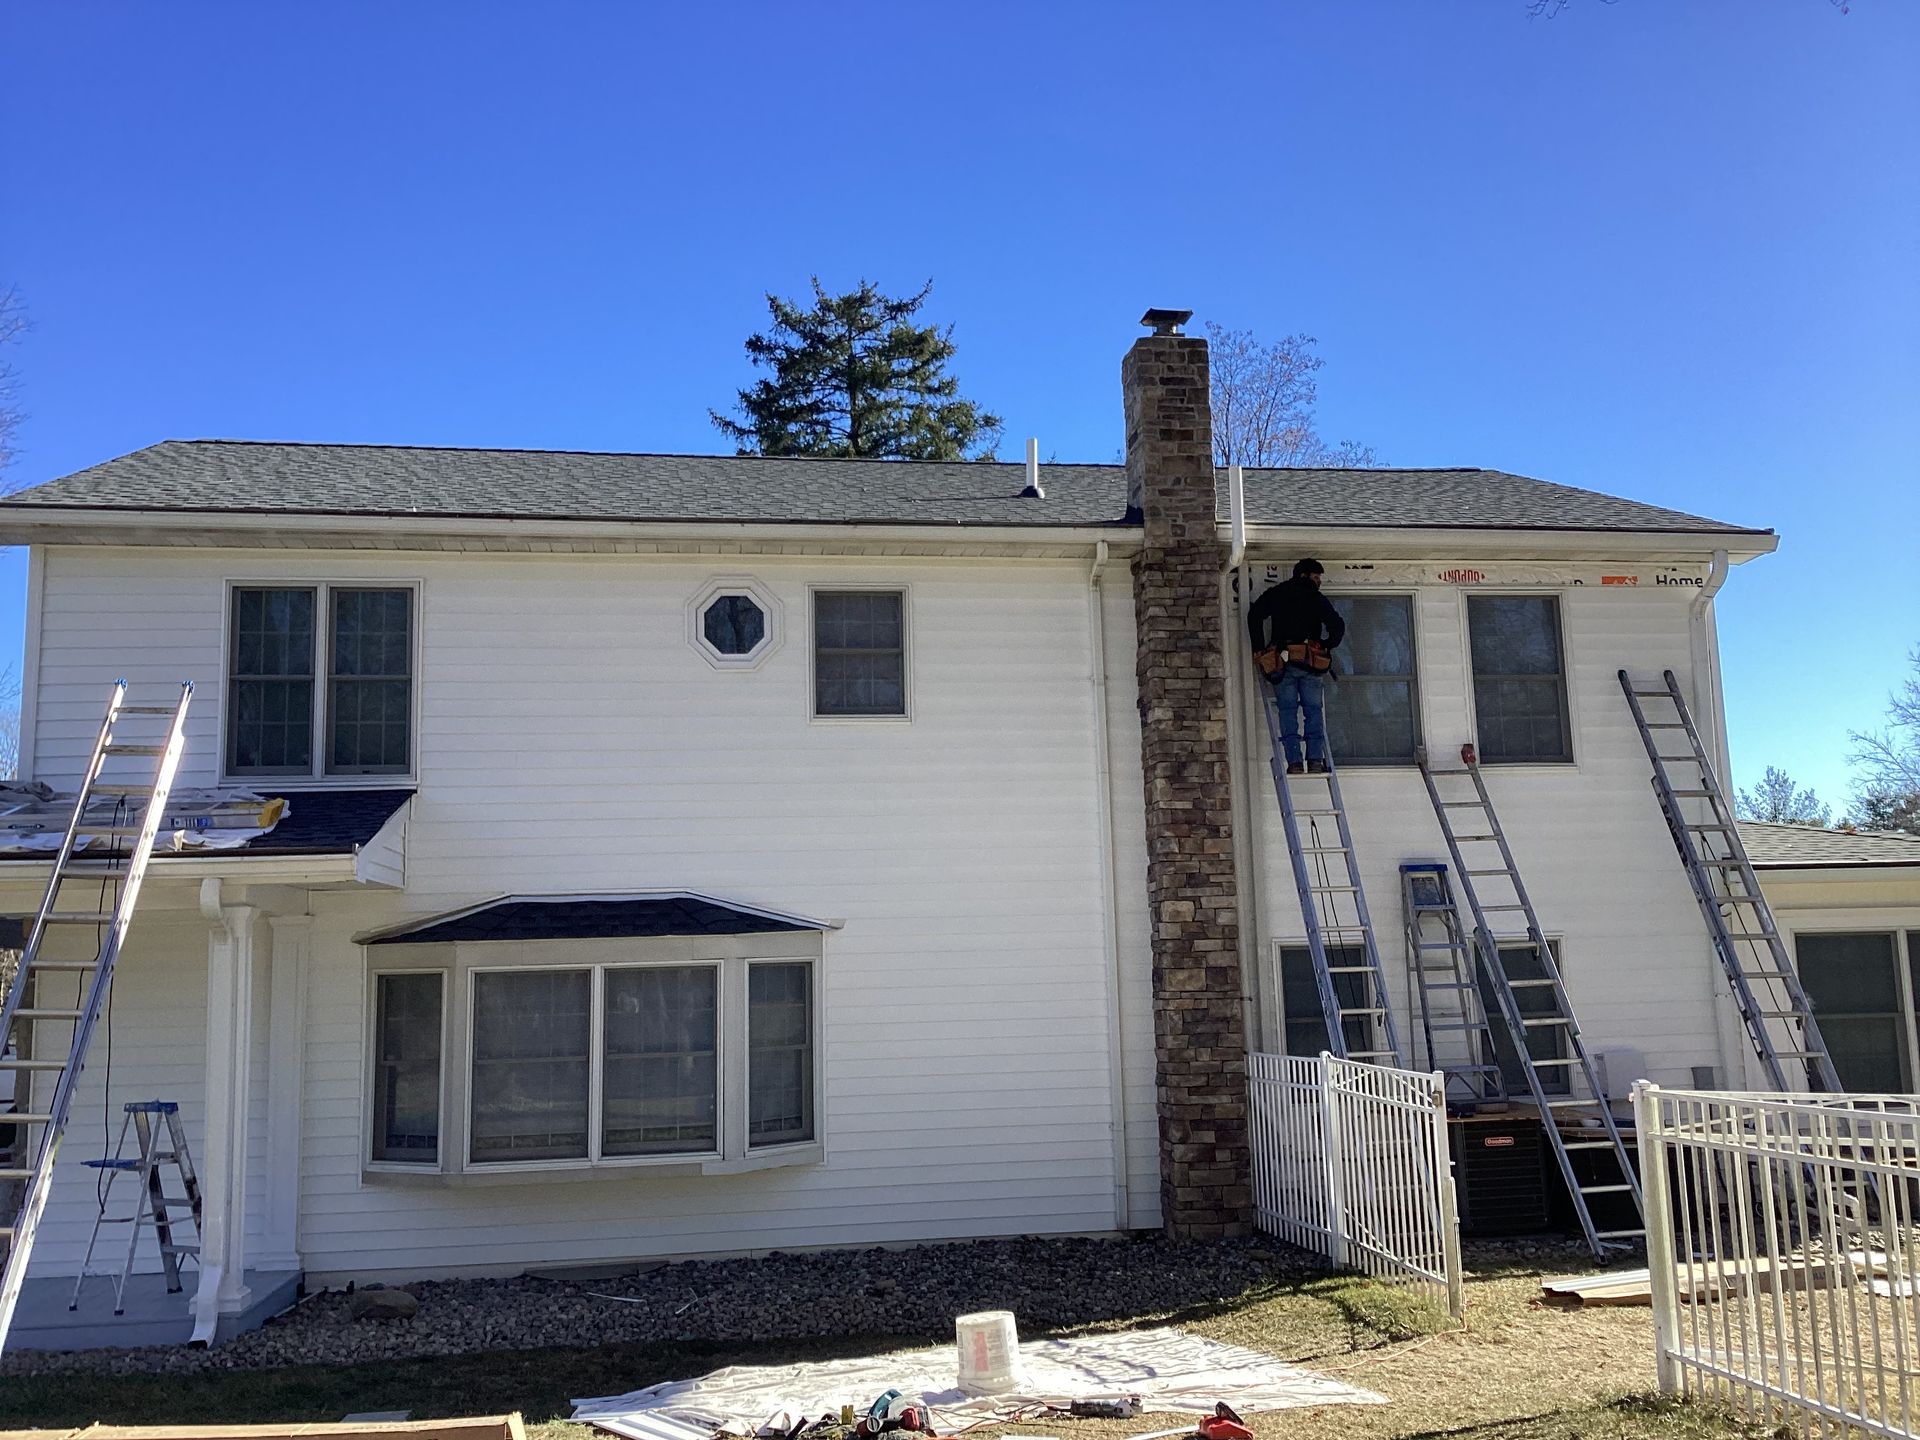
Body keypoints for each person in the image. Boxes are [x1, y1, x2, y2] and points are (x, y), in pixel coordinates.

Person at [1247, 558, 1345, 774]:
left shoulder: (1278, 593)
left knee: (1287, 711)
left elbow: (1254, 615)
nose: (1319, 582)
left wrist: (1259, 648)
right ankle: (1315, 760)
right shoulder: (1316, 598)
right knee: (1313, 711)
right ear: (1304, 575)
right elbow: (1337, 625)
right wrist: (1327, 645)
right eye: (1316, 577)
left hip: (1283, 662)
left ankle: (1294, 762)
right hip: (1311, 663)